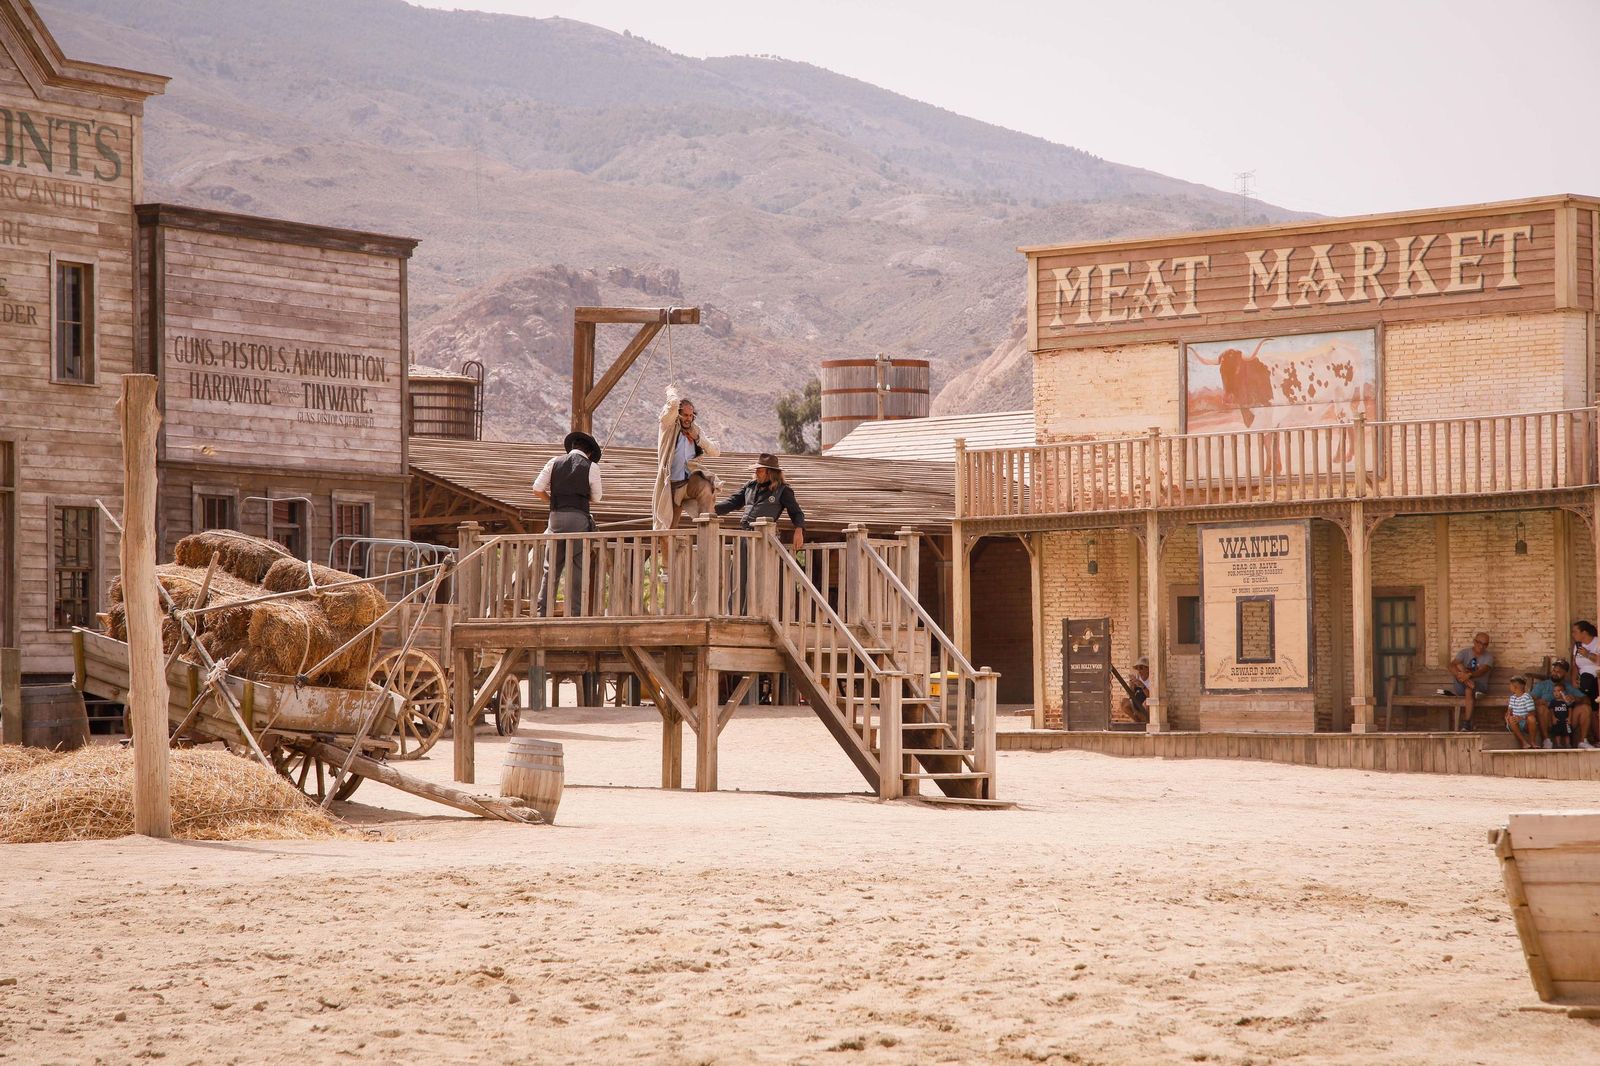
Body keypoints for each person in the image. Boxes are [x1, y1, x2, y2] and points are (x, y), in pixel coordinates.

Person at [715, 454, 806, 613]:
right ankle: (735, 615)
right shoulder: (749, 486)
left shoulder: (783, 490)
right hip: (744, 536)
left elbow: (797, 513)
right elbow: (732, 502)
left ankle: (754, 614)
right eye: (756, 470)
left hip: (763, 539)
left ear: (770, 472)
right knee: (737, 577)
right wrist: (711, 509)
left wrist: (799, 529)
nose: (756, 473)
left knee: (758, 580)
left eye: (760, 471)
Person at [533, 430, 603, 616]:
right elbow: (597, 497)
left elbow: (537, 488)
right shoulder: (592, 467)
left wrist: (553, 501)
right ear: (589, 453)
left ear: (572, 447)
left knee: (551, 567)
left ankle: (543, 612)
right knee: (578, 566)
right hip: (578, 519)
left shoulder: (554, 462)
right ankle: (575, 612)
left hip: (555, 518)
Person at [652, 392, 719, 530]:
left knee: (706, 487)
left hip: (688, 483)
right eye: (685, 415)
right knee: (668, 528)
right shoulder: (668, 427)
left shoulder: (696, 430)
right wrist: (670, 391)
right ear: (678, 414)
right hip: (670, 485)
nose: (688, 419)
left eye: (691, 415)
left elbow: (715, 451)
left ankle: (707, 527)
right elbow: (673, 405)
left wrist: (698, 439)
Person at [1531, 658, 1593, 750]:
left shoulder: (1569, 686)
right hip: (1550, 721)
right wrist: (1541, 702)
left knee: (1585, 708)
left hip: (1567, 721)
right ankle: (1546, 740)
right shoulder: (1542, 685)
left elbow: (1587, 700)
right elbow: (1530, 700)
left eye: (1559, 671)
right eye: (1554, 670)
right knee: (1540, 708)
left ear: (1565, 673)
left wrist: (1575, 698)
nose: (1555, 673)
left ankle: (1582, 741)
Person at [1443, 631, 1494, 730]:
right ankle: (1467, 682)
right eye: (1479, 643)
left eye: (1485, 644)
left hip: (1479, 688)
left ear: (1487, 645)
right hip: (1462, 685)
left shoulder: (1489, 657)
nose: (1481, 646)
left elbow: (1482, 671)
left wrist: (1469, 675)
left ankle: (1466, 723)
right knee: (1458, 665)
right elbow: (1450, 665)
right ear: (1474, 642)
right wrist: (1461, 676)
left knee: (1469, 690)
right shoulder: (1464, 652)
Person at [1504, 675, 1540, 749]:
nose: (1509, 687)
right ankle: (1524, 742)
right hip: (1515, 724)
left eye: (1510, 685)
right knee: (1511, 719)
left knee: (1532, 718)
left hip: (1525, 723)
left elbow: (1532, 713)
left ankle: (1532, 742)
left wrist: (1521, 718)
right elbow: (1509, 711)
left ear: (1515, 687)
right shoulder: (1512, 698)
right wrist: (1507, 716)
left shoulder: (1527, 697)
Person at [1118, 657, 1150, 724]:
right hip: (1136, 702)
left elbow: (1150, 695)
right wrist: (1131, 686)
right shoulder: (1137, 677)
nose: (1139, 670)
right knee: (1123, 702)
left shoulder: (1151, 679)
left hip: (1145, 705)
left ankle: (1146, 722)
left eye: (1141, 668)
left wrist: (1142, 685)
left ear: (1148, 669)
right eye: (1137, 668)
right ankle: (1137, 722)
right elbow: (1130, 695)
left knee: (1147, 702)